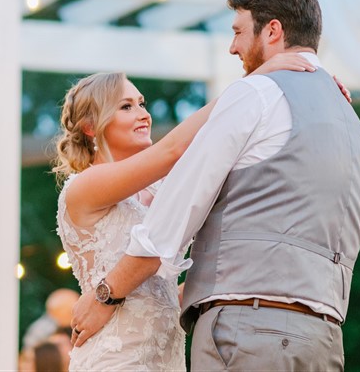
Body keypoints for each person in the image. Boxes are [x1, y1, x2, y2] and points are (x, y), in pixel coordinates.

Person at [72, 0, 360, 371]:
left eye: (237, 32)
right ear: (90, 127)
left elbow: (174, 205)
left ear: (272, 30)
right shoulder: (352, 125)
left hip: (245, 333)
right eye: (125, 106)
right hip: (323, 335)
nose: (233, 47)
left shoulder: (256, 95)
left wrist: (106, 294)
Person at [54, 48, 315, 371]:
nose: (143, 114)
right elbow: (174, 149)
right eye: (126, 107)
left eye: (142, 103)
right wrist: (253, 82)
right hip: (114, 360)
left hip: (168, 360)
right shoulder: (84, 188)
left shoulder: (160, 190)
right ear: (91, 127)